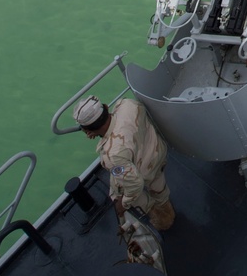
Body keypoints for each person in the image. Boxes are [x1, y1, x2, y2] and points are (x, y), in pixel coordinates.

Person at [73, 96, 175, 230]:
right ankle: (165, 206)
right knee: (159, 188)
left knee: (123, 193)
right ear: (105, 107)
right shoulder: (127, 104)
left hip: (143, 171)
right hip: (157, 153)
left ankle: (162, 220)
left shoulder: (112, 155)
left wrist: (123, 204)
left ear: (87, 131)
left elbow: (135, 185)